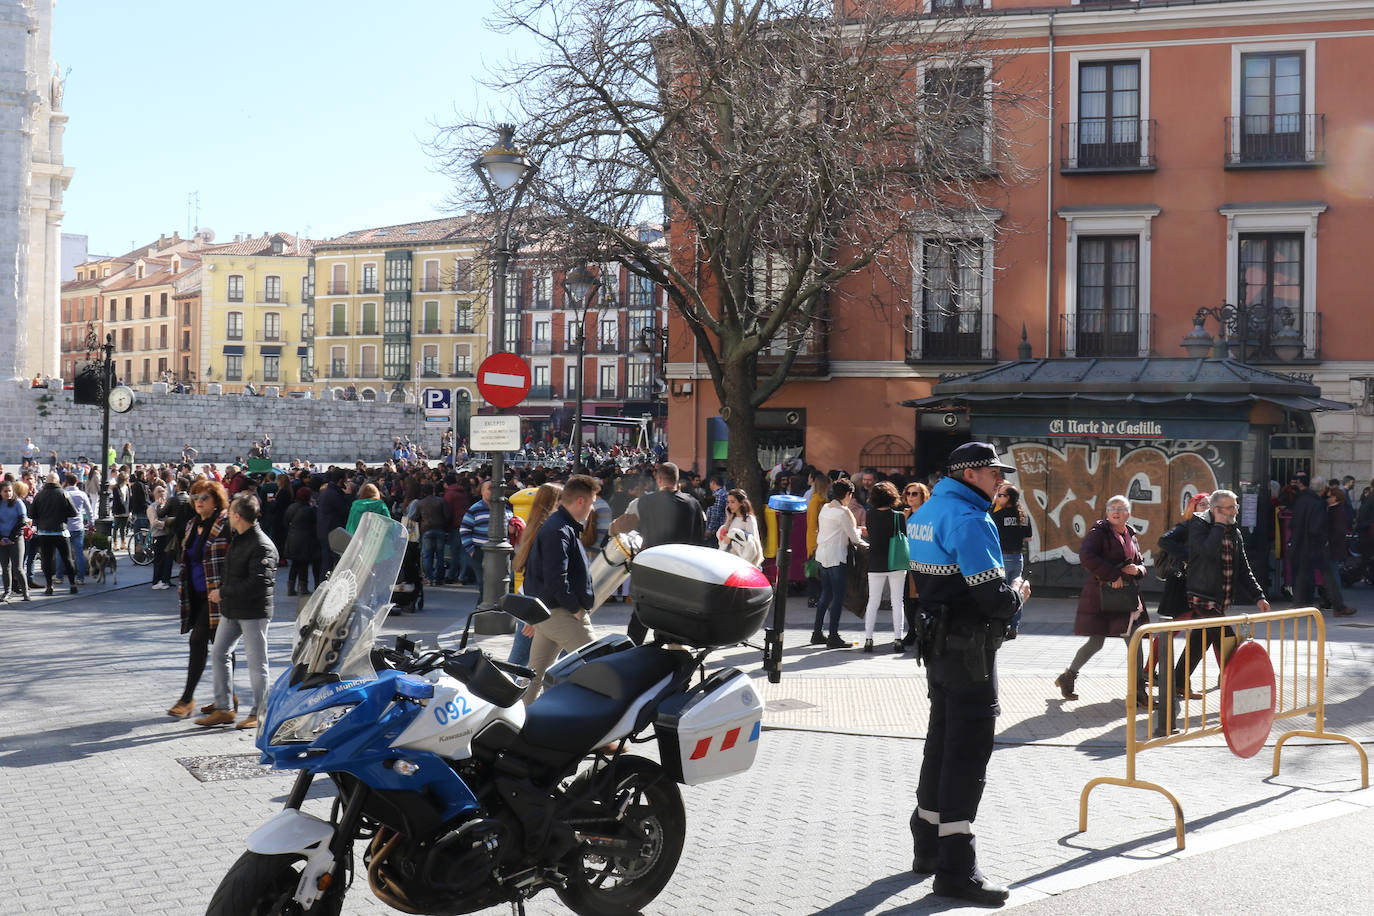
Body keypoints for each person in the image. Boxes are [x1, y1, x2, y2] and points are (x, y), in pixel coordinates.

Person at [908, 442, 1029, 906]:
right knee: (968, 750)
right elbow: (994, 598)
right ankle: (956, 870)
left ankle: (927, 843)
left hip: (937, 646)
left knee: (940, 740)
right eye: (995, 473)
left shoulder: (926, 511)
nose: (1000, 481)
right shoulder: (970, 520)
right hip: (970, 651)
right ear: (972, 473)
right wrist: (1019, 590)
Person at [1158, 488, 1271, 704]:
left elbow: (1243, 568)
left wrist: (1258, 596)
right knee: (1227, 639)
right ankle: (1240, 688)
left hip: (1220, 600)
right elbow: (1208, 553)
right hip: (1202, 596)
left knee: (1201, 640)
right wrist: (1217, 526)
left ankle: (1177, 682)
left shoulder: (1234, 532)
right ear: (1217, 509)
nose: (1235, 511)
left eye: (1235, 506)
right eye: (1231, 507)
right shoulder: (1198, 526)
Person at [1053, 495, 1149, 705]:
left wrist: (1138, 569)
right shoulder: (1099, 532)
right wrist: (1112, 574)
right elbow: (1086, 557)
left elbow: (1141, 563)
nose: (1116, 511)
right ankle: (1068, 676)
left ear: (1128, 514)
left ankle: (1139, 691)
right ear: (1107, 513)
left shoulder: (1131, 534)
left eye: (1121, 508)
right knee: (1096, 642)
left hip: (1126, 598)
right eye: (1112, 507)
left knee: (1133, 640)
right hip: (1102, 596)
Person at [195, 494, 278, 731]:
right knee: (220, 653)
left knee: (257, 663)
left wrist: (223, 593)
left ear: (238, 516)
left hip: (254, 612)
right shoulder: (240, 538)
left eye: (230, 513)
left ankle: (260, 712)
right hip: (232, 610)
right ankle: (224, 709)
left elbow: (258, 583)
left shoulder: (261, 544)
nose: (227, 517)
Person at [523, 475, 601, 704]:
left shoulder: (560, 526)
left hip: (550, 613)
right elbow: (557, 578)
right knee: (601, 667)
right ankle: (596, 731)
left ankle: (517, 725)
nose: (593, 507)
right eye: (592, 501)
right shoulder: (559, 529)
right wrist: (575, 608)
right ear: (580, 501)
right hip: (561, 613)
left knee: (533, 677)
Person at [168, 479, 231, 719]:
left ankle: (187, 699)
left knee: (198, 641)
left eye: (204, 498)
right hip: (194, 593)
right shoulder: (193, 524)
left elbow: (234, 557)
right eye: (196, 498)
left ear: (216, 501)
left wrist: (226, 588)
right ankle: (227, 697)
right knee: (222, 646)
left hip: (216, 595)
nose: (199, 502)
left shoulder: (225, 524)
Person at [627, 462, 705, 643]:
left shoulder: (645, 502)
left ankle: (631, 645)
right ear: (677, 480)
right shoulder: (692, 504)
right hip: (681, 569)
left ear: (659, 478)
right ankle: (667, 644)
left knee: (643, 609)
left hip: (652, 565)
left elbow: (642, 531)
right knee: (673, 613)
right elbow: (699, 540)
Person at [509, 482, 564, 667]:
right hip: (536, 606)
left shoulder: (536, 528)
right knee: (519, 662)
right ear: (554, 503)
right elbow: (540, 575)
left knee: (533, 662)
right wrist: (534, 617)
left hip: (536, 604)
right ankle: (501, 693)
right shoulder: (547, 531)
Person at [810, 477, 867, 650]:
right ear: (848, 494)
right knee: (838, 596)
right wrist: (859, 530)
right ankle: (833, 636)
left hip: (822, 555)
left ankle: (817, 632)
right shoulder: (842, 512)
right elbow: (854, 538)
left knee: (825, 594)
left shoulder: (825, 508)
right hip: (837, 557)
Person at [1289, 475, 1354, 615]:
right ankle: (1338, 606)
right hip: (1314, 546)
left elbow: (1293, 523)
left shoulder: (1301, 499)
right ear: (1323, 488)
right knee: (1328, 575)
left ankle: (1298, 604)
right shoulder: (1318, 503)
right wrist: (1323, 540)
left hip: (1300, 543)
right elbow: (1316, 527)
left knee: (1302, 574)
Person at [861, 481, 906, 653]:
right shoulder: (899, 516)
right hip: (896, 561)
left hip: (875, 562)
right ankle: (898, 639)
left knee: (873, 601)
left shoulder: (869, 515)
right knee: (897, 601)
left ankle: (868, 639)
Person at [991, 485, 1032, 638]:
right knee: (1017, 590)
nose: (998, 497)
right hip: (1017, 558)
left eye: (1000, 495)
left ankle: (1002, 625)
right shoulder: (1023, 516)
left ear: (1007, 498)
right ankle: (1014, 626)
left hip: (1002, 557)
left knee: (1001, 592)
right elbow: (1029, 537)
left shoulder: (997, 515)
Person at [30, 472, 80, 596]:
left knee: (46, 560)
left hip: (44, 532)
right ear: (58, 481)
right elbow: (73, 512)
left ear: (46, 482)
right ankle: (73, 585)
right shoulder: (63, 493)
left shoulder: (39, 495)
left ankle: (49, 586)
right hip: (60, 531)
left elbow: (32, 514)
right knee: (67, 559)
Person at [411, 483, 452, 586]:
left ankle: (429, 577)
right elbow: (448, 516)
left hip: (426, 529)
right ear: (433, 490)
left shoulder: (421, 503)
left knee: (427, 555)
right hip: (439, 529)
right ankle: (438, 578)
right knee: (439, 555)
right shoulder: (441, 501)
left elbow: (415, 517)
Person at [283, 486, 320, 597]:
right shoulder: (310, 510)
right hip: (306, 539)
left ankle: (291, 588)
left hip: (293, 538)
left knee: (295, 564)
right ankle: (303, 587)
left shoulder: (291, 507)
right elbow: (316, 521)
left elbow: (285, 522)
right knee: (303, 563)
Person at [0, 480, 30, 601]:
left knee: (17, 567)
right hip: (2, 539)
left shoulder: (18, 503)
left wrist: (11, 538)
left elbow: (22, 521)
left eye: (10, 491)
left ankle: (25, 592)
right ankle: (7, 591)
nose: (8, 493)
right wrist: (1, 538)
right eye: (5, 491)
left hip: (16, 539)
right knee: (5, 567)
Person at [147, 485, 174, 589]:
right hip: (159, 536)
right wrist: (167, 524)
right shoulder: (152, 507)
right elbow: (154, 522)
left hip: (168, 535)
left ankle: (166, 579)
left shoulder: (167, 505)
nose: (162, 493)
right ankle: (157, 580)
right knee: (159, 559)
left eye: (163, 491)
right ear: (154, 494)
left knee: (168, 559)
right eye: (159, 491)